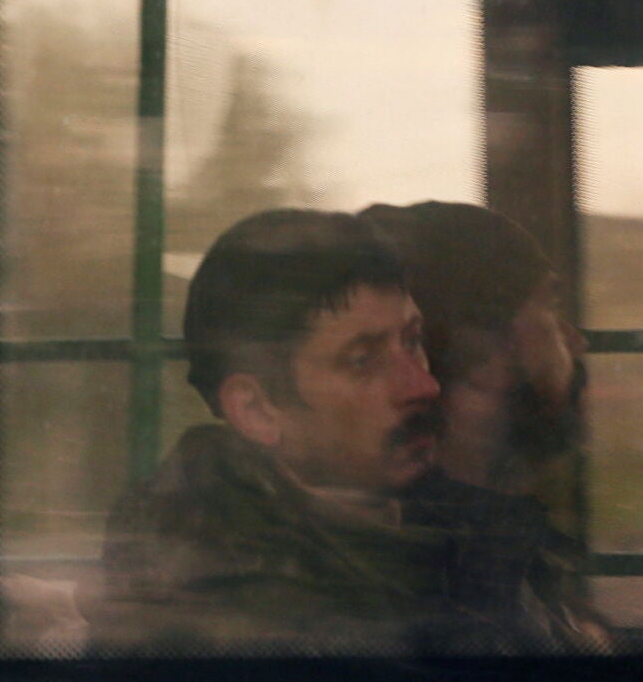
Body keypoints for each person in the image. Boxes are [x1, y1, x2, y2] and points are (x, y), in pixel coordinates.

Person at [82, 209, 510, 654]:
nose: (424, 385)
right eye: (362, 361)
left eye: (412, 341)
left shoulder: (462, 526)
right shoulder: (236, 617)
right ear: (258, 412)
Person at [360, 202, 614, 654]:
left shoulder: (495, 549)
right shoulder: (459, 594)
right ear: (488, 345)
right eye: (549, 306)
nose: (575, 340)